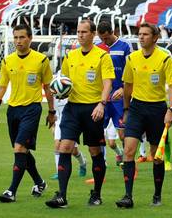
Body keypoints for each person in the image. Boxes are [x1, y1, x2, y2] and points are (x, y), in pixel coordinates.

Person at [46, 20, 115, 208]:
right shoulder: (71, 56)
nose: (80, 35)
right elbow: (64, 80)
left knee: (95, 152)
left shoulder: (103, 56)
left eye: (84, 32)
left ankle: (97, 194)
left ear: (93, 34)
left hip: (93, 109)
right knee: (64, 147)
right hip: (72, 109)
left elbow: (108, 82)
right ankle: (61, 195)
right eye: (78, 32)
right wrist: (57, 89)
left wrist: (102, 104)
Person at [115, 23, 172, 208]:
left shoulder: (164, 58)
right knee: (129, 150)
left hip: (157, 109)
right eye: (139, 34)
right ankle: (128, 196)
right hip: (136, 108)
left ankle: (157, 195)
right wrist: (126, 110)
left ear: (155, 38)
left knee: (156, 155)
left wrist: (171, 109)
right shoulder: (132, 58)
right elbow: (127, 86)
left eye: (145, 34)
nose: (141, 37)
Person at [0, 24, 55, 203]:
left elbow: (48, 88)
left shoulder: (41, 60)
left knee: (19, 148)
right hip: (13, 111)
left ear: (30, 38)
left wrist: (51, 111)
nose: (18, 41)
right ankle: (39, 182)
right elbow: (2, 87)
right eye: (16, 37)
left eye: (22, 37)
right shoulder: (7, 61)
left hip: (32, 109)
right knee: (21, 151)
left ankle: (11, 191)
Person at [97, 21, 132, 167]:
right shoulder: (98, 48)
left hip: (119, 96)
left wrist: (123, 88)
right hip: (102, 95)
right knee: (98, 132)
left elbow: (131, 70)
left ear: (112, 32)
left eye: (106, 38)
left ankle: (128, 162)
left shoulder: (125, 46)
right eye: (101, 38)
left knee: (123, 133)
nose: (104, 41)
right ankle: (101, 164)